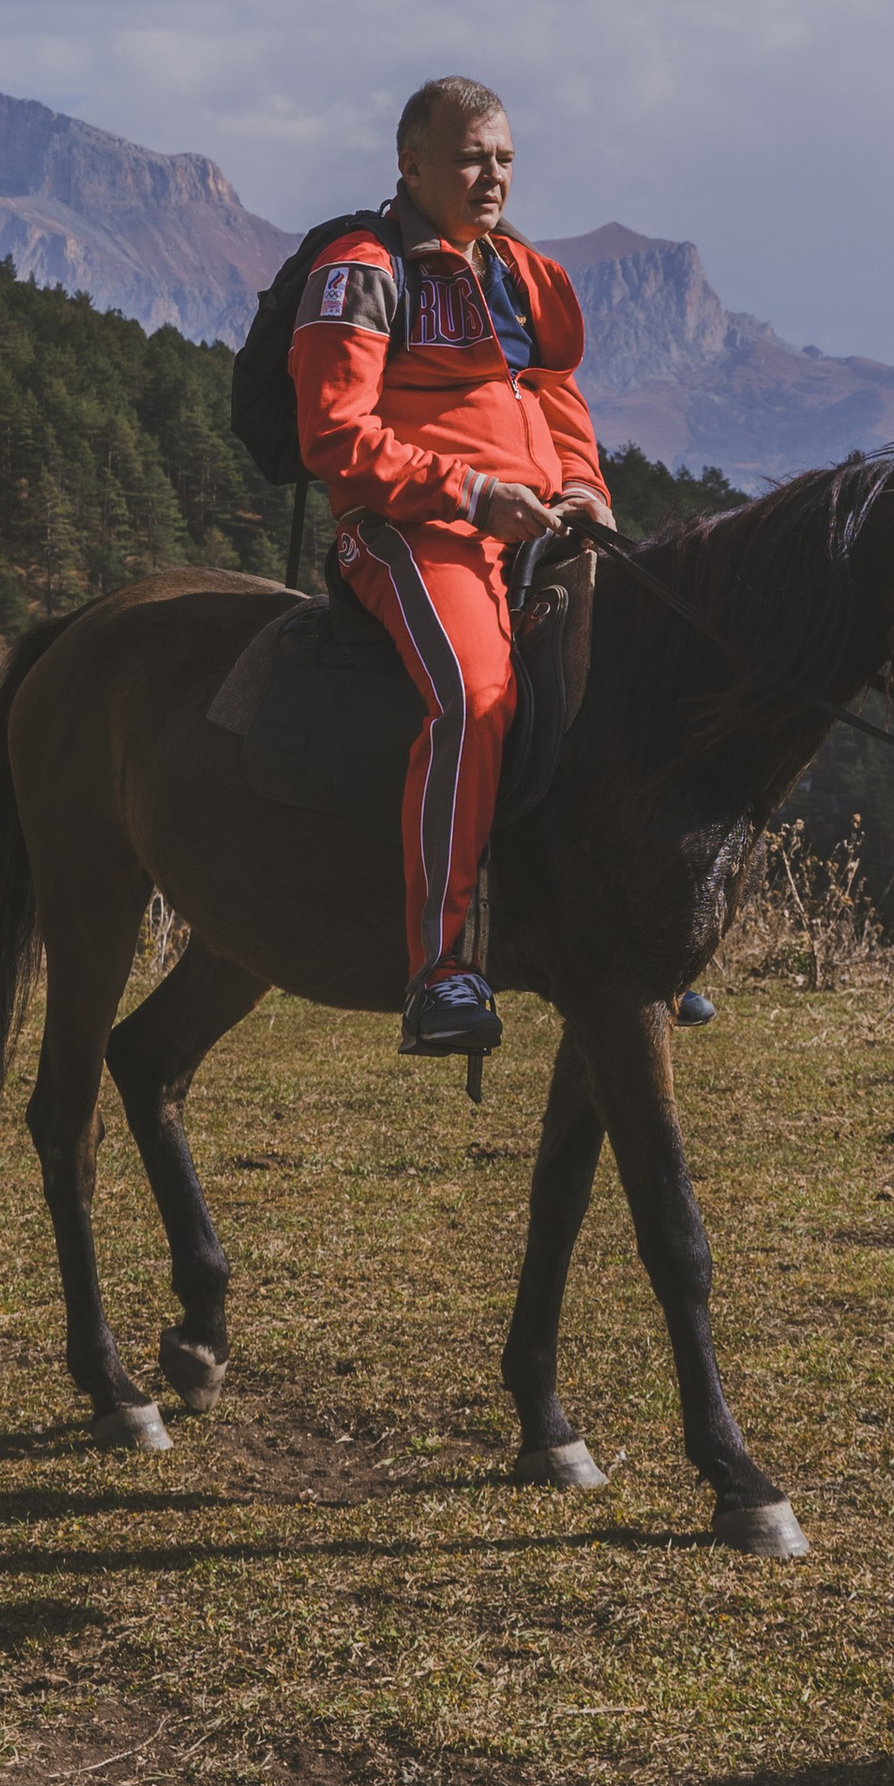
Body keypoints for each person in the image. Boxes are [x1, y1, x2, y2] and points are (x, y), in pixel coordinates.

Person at [287, 77, 613, 1060]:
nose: (491, 176)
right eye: (471, 157)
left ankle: (612, 938)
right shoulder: (361, 268)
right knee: (475, 698)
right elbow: (334, 435)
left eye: (504, 158)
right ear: (412, 163)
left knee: (638, 673)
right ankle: (440, 972)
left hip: (539, 522)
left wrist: (582, 486)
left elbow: (551, 396)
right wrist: (472, 496)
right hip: (408, 527)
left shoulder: (520, 276)